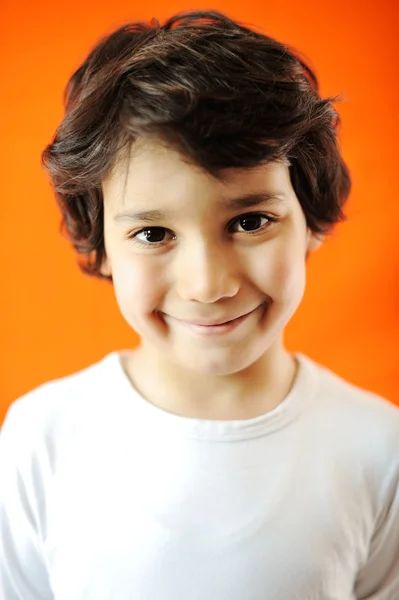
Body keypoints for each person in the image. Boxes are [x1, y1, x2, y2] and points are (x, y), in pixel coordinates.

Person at [1, 9, 398, 600]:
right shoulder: (40, 439)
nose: (207, 285)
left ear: (310, 219)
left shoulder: (380, 450)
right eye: (154, 234)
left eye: (250, 220)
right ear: (100, 242)